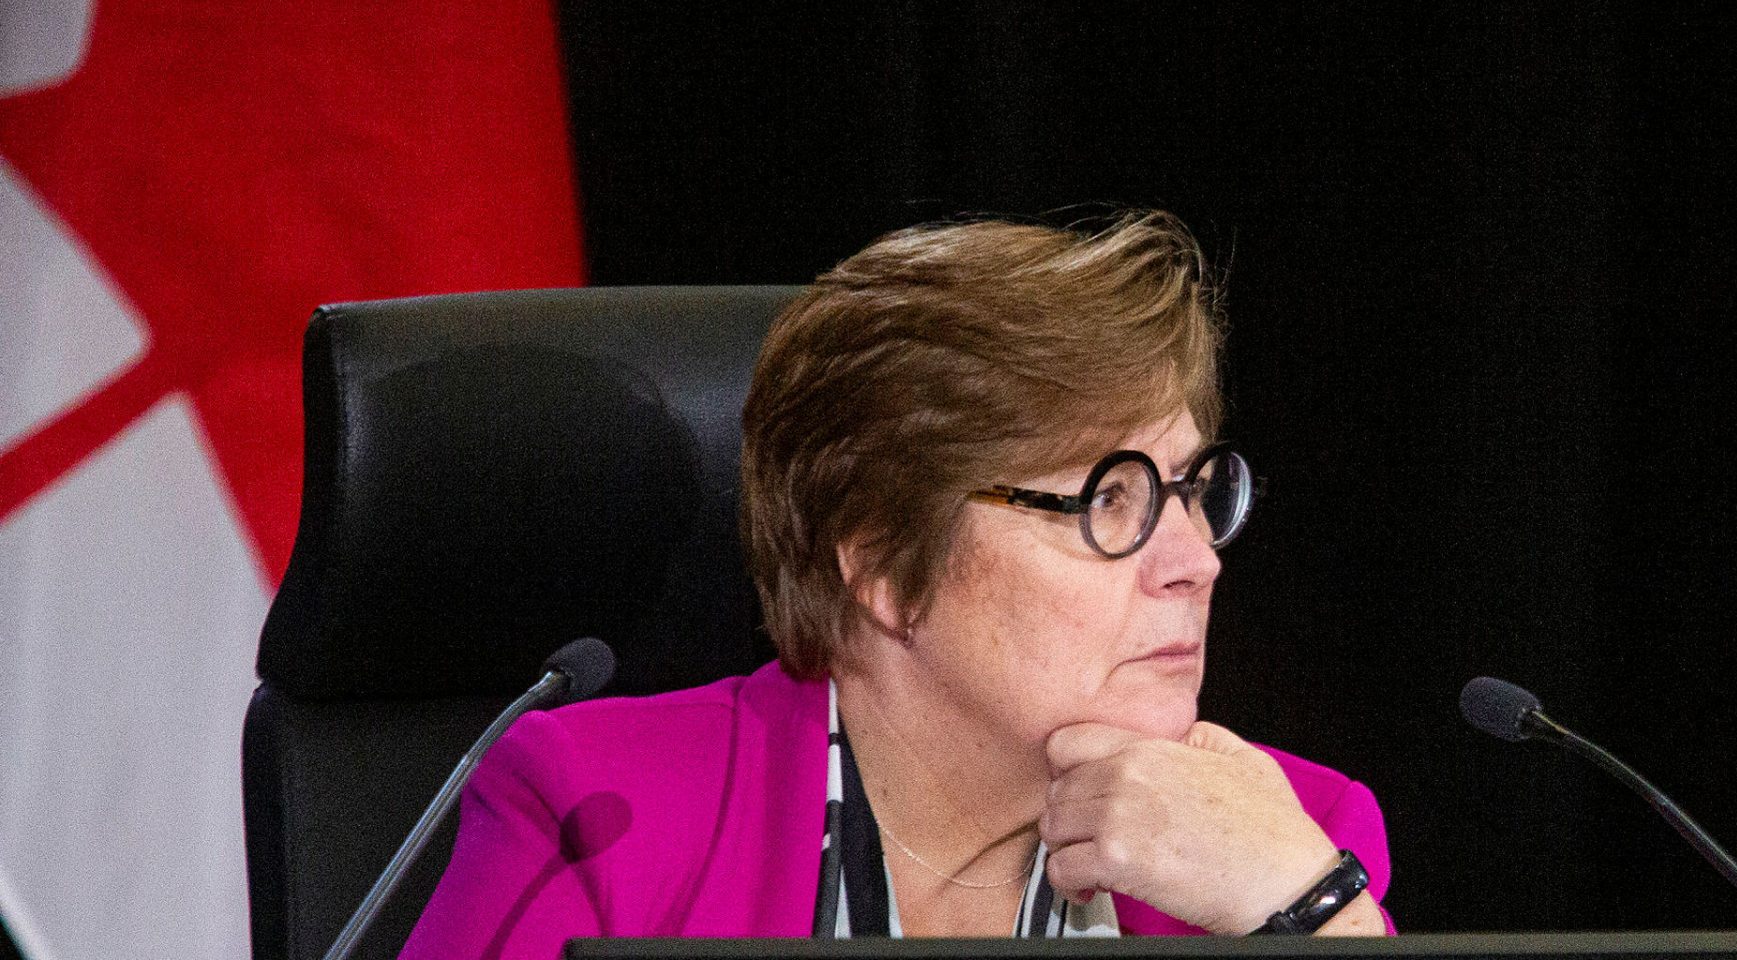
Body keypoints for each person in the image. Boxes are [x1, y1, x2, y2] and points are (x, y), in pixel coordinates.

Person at [398, 211, 1391, 959]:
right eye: (1110, 500)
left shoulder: (1296, 837)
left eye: (1192, 491)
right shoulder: (602, 817)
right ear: (878, 564)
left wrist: (1311, 911)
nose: (1196, 561)